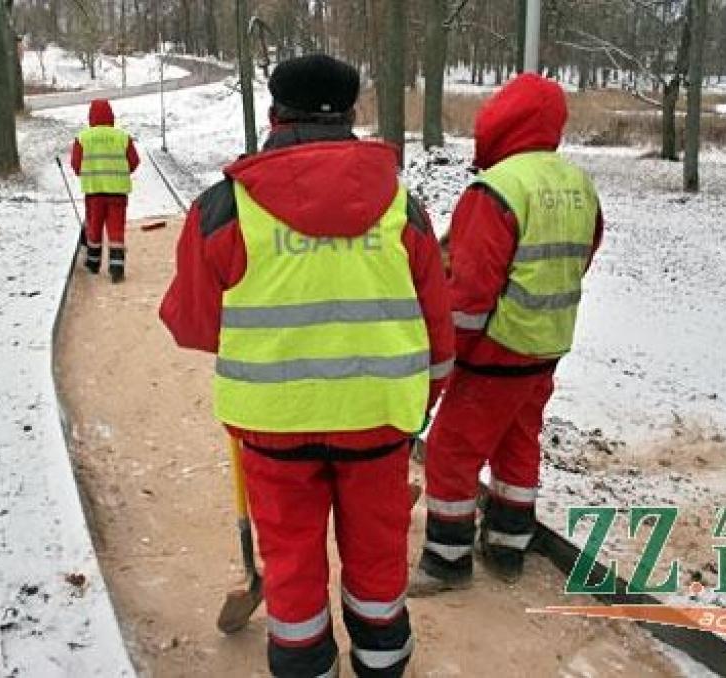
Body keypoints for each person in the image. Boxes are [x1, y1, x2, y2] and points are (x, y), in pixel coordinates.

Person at [160, 54, 454, 678]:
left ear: (275, 115)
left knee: (291, 561)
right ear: (350, 115)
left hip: (275, 429)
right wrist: (418, 406)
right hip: (379, 422)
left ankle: (304, 665)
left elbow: (191, 324)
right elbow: (438, 331)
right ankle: (383, 661)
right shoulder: (403, 208)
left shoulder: (224, 208)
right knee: (377, 556)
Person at [410, 73, 604, 595]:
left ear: (499, 122)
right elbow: (582, 257)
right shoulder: (578, 184)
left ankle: (447, 561)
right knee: (518, 441)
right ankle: (507, 546)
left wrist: (447, 355)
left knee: (451, 449)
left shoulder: (496, 189)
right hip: (548, 343)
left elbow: (470, 292)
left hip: (496, 351)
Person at [70, 98, 140, 282]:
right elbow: (134, 161)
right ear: (111, 116)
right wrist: (120, 171)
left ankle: (93, 264)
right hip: (117, 192)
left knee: (94, 227)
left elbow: (76, 164)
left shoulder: (83, 138)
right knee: (116, 229)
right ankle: (116, 268)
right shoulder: (122, 137)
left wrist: (88, 172)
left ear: (91, 117)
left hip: (94, 192)